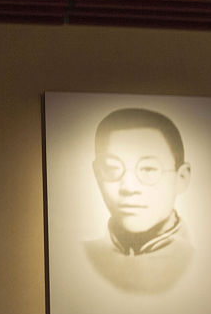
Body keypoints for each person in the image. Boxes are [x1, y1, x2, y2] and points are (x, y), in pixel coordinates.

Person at [83, 108, 193, 293]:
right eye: (112, 168)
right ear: (97, 174)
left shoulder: (204, 264)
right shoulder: (78, 260)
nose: (129, 187)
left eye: (148, 169)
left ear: (182, 177)